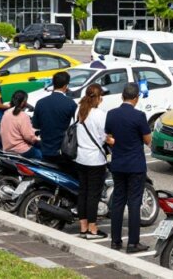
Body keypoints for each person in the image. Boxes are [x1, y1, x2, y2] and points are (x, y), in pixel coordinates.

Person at [105, 82, 151, 253]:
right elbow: (147, 140)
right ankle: (133, 243)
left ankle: (115, 241)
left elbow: (108, 136)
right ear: (136, 98)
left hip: (118, 163)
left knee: (118, 201)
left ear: (122, 96)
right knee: (134, 203)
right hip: (135, 164)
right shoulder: (139, 116)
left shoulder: (111, 114)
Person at [74, 84, 109, 240]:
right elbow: (104, 136)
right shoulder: (99, 114)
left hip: (80, 157)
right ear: (98, 97)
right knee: (93, 195)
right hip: (95, 159)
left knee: (83, 192)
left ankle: (83, 227)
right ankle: (92, 228)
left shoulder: (79, 110)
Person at [32, 71, 77, 167]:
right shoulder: (71, 103)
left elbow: (35, 125)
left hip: (45, 149)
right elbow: (76, 126)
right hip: (63, 150)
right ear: (66, 86)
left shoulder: (40, 103)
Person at [0, 91, 42, 159]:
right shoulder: (23, 116)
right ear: (23, 102)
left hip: (7, 149)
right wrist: (37, 139)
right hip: (21, 150)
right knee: (41, 154)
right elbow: (28, 136)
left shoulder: (6, 113)